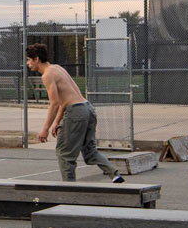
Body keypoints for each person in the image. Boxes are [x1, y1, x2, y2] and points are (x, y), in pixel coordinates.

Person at [25, 43, 121, 183]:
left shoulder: (47, 75)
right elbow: (65, 100)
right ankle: (115, 175)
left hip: (76, 112)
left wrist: (45, 128)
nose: (27, 64)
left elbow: (55, 103)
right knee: (89, 151)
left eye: (28, 60)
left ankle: (69, 189)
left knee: (64, 154)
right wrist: (57, 122)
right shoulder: (57, 68)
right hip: (87, 108)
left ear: (37, 59)